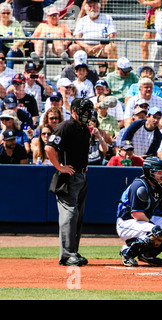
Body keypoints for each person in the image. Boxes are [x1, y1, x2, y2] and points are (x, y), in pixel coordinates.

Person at [44, 98, 94, 266]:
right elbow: (49, 148)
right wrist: (60, 167)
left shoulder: (84, 129)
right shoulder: (65, 127)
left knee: (78, 216)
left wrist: (84, 166)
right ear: (74, 111)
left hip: (81, 176)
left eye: (88, 111)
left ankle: (73, 252)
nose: (87, 114)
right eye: (84, 111)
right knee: (70, 215)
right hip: (68, 178)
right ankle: (66, 255)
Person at [116, 156, 162, 267]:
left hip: (145, 219)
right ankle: (127, 252)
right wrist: (155, 228)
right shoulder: (139, 186)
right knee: (157, 232)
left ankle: (148, 255)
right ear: (149, 173)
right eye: (158, 172)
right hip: (127, 222)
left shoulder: (159, 187)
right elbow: (136, 214)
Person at [72, 0, 118, 73]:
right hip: (85, 48)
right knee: (73, 48)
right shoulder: (82, 20)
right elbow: (77, 37)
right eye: (90, 6)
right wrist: (86, 47)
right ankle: (78, 73)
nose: (92, 8)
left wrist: (99, 46)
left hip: (102, 47)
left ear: (99, 6)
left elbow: (111, 36)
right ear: (86, 8)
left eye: (94, 6)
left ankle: (112, 73)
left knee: (112, 47)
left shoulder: (107, 18)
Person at [137, 0, 162, 67]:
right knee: (144, 44)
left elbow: (158, 3)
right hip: (150, 18)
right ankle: (144, 66)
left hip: (158, 17)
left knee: (160, 45)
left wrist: (144, 2)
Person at [0, 2, 26, 69]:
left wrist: (16, 45)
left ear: (10, 14)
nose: (6, 15)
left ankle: (8, 74)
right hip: (2, 48)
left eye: (8, 13)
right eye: (4, 13)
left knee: (10, 53)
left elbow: (23, 38)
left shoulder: (16, 24)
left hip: (16, 49)